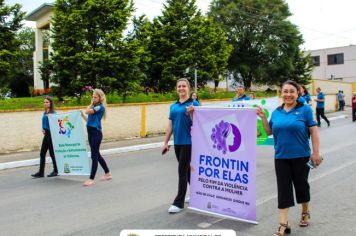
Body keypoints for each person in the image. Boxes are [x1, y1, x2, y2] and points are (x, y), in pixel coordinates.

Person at [256, 80, 321, 236]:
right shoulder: (277, 112)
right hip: (281, 157)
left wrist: (316, 153)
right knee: (283, 190)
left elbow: (314, 131)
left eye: (292, 91)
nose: (288, 94)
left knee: (301, 187)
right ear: (281, 93)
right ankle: (283, 224)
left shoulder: (305, 110)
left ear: (297, 93)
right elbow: (269, 131)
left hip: (301, 156)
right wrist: (264, 118)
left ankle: (305, 211)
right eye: (285, 91)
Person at [162, 78, 199, 214]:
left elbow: (199, 123)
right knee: (187, 170)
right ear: (176, 89)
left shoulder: (194, 103)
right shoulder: (173, 106)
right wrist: (166, 142)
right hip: (177, 142)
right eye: (179, 86)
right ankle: (196, 193)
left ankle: (179, 202)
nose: (181, 88)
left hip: (189, 142)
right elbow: (170, 125)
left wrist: (191, 113)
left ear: (188, 88)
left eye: (184, 86)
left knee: (182, 171)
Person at [81, 89, 112, 187]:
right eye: (92, 97)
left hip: (96, 134)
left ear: (100, 98)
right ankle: (108, 173)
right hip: (90, 132)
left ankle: (91, 179)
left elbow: (87, 111)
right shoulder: (95, 106)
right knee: (97, 154)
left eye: (95, 97)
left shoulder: (100, 107)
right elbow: (88, 120)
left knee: (94, 156)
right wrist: (82, 115)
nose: (93, 99)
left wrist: (89, 106)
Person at [32, 96, 58, 178]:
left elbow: (55, 125)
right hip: (46, 134)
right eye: (44, 102)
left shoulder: (53, 113)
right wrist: (43, 128)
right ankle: (41, 172)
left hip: (51, 135)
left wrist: (48, 130)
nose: (45, 103)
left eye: (47, 102)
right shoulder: (45, 113)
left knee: (52, 153)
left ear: (50, 103)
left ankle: (56, 170)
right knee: (42, 153)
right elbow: (44, 123)